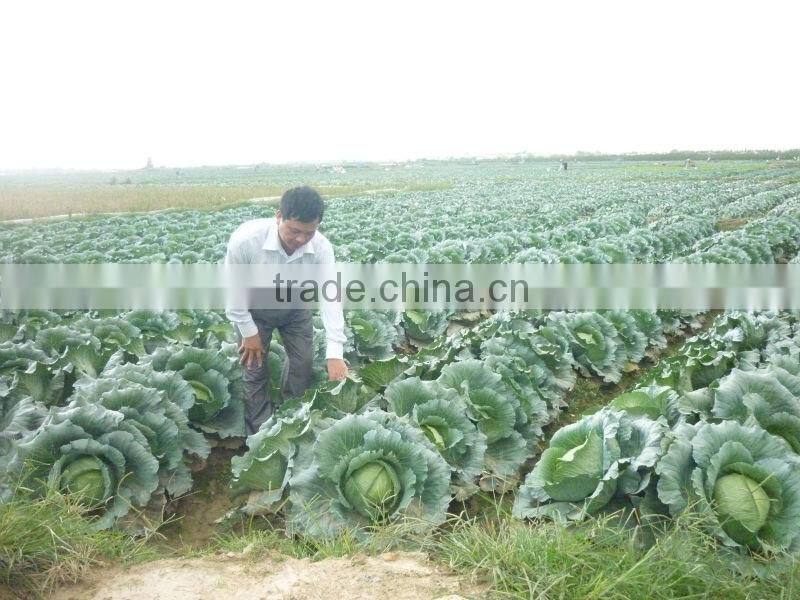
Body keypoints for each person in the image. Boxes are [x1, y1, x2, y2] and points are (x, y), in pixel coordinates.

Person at [225, 186, 348, 435]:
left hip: (295, 306)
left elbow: (331, 297)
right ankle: (259, 435)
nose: (301, 239)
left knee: (303, 363)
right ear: (278, 216)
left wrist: (335, 351)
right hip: (254, 309)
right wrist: (249, 333)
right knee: (254, 369)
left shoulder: (322, 248)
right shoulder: (247, 241)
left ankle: (292, 419)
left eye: (309, 233)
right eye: (294, 231)